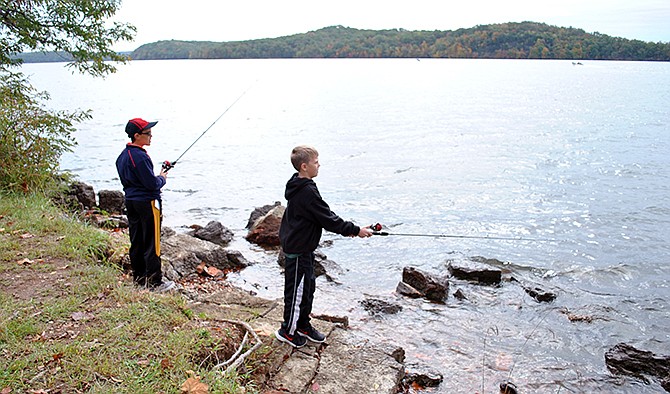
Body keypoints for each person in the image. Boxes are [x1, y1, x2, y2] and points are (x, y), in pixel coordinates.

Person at [275, 145, 373, 348]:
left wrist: (352, 229)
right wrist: (355, 230)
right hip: (298, 249)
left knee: (308, 288)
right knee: (297, 292)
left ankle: (303, 324)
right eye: (316, 162)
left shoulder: (302, 184)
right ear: (304, 166)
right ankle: (288, 331)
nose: (319, 165)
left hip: (305, 248)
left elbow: (320, 216)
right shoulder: (306, 191)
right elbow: (328, 219)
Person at [115, 118, 176, 292]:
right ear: (136, 135)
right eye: (147, 133)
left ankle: (139, 278)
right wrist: (162, 178)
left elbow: (138, 180)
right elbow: (151, 184)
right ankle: (155, 282)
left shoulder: (123, 156)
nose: (151, 136)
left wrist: (159, 174)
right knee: (152, 241)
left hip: (131, 202)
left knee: (137, 240)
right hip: (148, 203)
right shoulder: (140, 157)